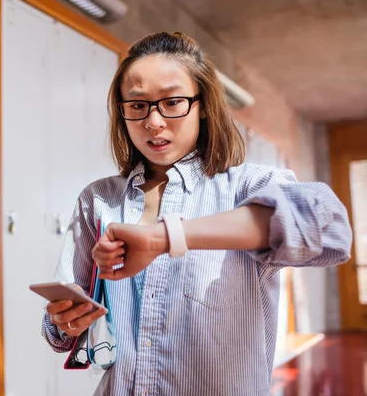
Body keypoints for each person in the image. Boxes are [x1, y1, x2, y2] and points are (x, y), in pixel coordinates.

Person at [41, 31, 352, 396]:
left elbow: (330, 228)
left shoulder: (247, 187)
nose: (153, 122)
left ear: (202, 104)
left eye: (172, 102)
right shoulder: (98, 200)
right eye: (137, 105)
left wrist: (165, 237)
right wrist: (64, 320)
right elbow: (58, 334)